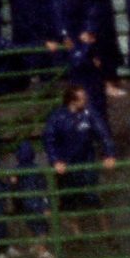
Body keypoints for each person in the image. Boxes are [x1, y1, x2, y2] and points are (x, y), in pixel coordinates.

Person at [42, 83, 116, 234]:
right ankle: (77, 234)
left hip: (86, 161)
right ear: (72, 101)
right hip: (67, 165)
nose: (86, 101)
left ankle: (107, 232)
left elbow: (103, 134)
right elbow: (49, 140)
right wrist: (55, 160)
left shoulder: (89, 114)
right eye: (82, 98)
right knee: (69, 201)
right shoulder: (58, 117)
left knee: (93, 197)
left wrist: (109, 154)